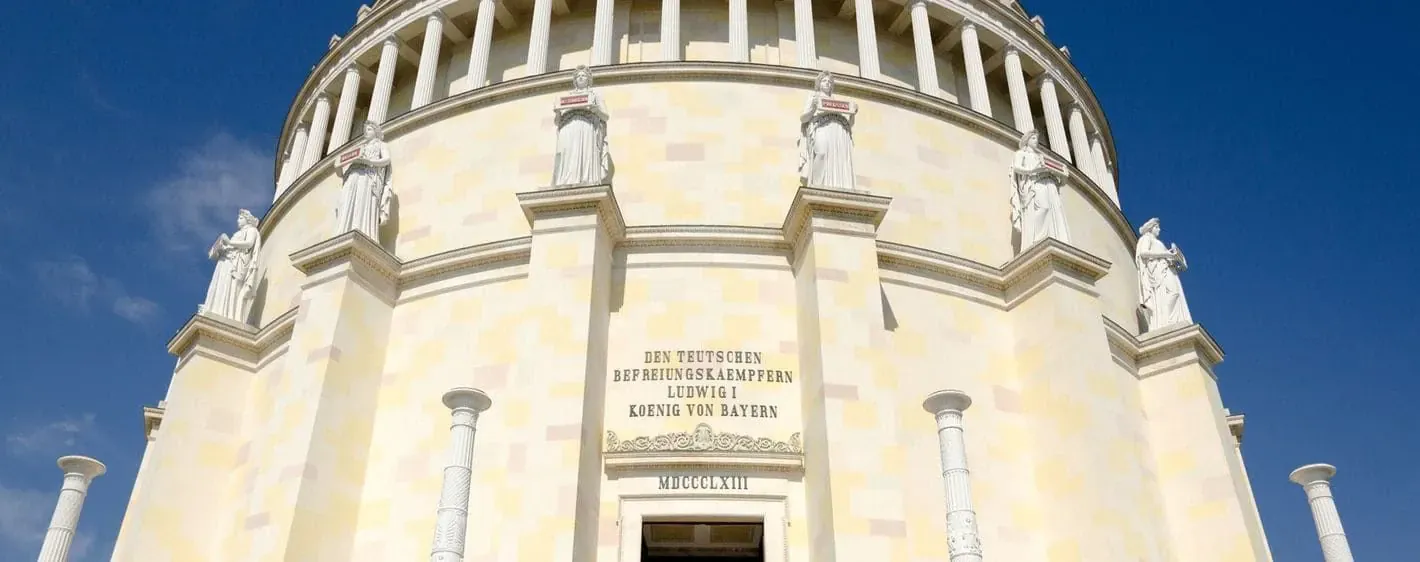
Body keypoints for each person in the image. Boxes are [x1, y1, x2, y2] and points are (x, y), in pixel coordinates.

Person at [1009, 130, 1071, 248]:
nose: (1036, 141)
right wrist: (1033, 170)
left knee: (1055, 210)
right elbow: (1017, 168)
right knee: (1043, 208)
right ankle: (1038, 240)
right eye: (1033, 138)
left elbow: (1061, 181)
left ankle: (1055, 238)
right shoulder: (1021, 154)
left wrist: (1063, 176)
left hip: (1049, 184)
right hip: (1035, 183)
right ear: (1027, 141)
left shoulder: (1041, 157)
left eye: (1036, 138)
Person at [552, 66, 611, 186]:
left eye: (583, 75)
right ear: (574, 80)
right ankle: (566, 181)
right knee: (567, 155)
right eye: (578, 76)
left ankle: (586, 179)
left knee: (585, 155)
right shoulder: (566, 97)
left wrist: (595, 110)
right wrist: (557, 112)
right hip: (568, 128)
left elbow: (605, 116)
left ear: (588, 79)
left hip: (586, 127)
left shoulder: (595, 96)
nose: (580, 78)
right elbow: (557, 122)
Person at [334, 121, 393, 239]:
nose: (366, 132)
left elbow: (387, 159)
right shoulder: (360, 149)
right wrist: (337, 167)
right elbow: (341, 174)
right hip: (352, 176)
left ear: (376, 132)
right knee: (347, 202)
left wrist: (370, 162)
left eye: (369, 129)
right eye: (365, 130)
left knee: (363, 201)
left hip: (368, 177)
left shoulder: (381, 144)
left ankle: (362, 230)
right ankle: (344, 230)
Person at [200, 209, 261, 323]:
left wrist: (229, 242)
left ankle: (229, 315)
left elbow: (249, 243)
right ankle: (218, 311)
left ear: (248, 220)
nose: (238, 220)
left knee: (232, 288)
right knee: (221, 287)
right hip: (226, 261)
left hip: (236, 264)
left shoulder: (252, 230)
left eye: (241, 218)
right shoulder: (237, 233)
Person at [798, 71, 856, 190]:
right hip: (820, 127)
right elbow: (803, 118)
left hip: (836, 132)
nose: (827, 84)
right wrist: (813, 109)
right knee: (821, 152)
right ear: (819, 84)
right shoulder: (814, 97)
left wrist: (853, 114)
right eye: (824, 81)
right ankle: (817, 185)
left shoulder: (836, 102)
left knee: (836, 159)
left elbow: (848, 126)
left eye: (830, 82)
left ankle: (834, 184)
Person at [1135, 217, 1193, 331]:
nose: (1159, 229)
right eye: (1157, 227)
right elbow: (1143, 253)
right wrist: (1166, 254)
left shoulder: (1157, 242)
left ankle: (1170, 320)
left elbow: (1164, 256)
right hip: (1158, 272)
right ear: (1151, 228)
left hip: (1167, 269)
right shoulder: (1146, 238)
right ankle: (1165, 320)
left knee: (1175, 293)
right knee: (1172, 293)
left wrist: (1176, 260)